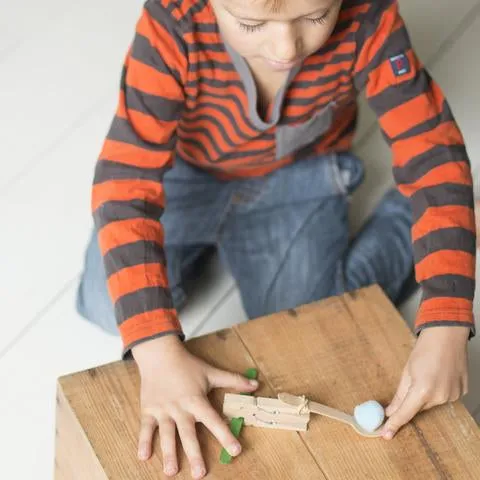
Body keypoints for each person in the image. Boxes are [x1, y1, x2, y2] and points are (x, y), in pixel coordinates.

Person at [76, 0, 476, 477]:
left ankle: (403, 225)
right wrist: (157, 349)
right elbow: (124, 184)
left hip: (295, 181)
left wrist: (447, 323)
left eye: (315, 16)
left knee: (309, 316)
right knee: (107, 305)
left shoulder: (369, 17)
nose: (286, 47)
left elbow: (433, 155)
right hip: (187, 178)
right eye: (252, 23)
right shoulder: (173, 22)